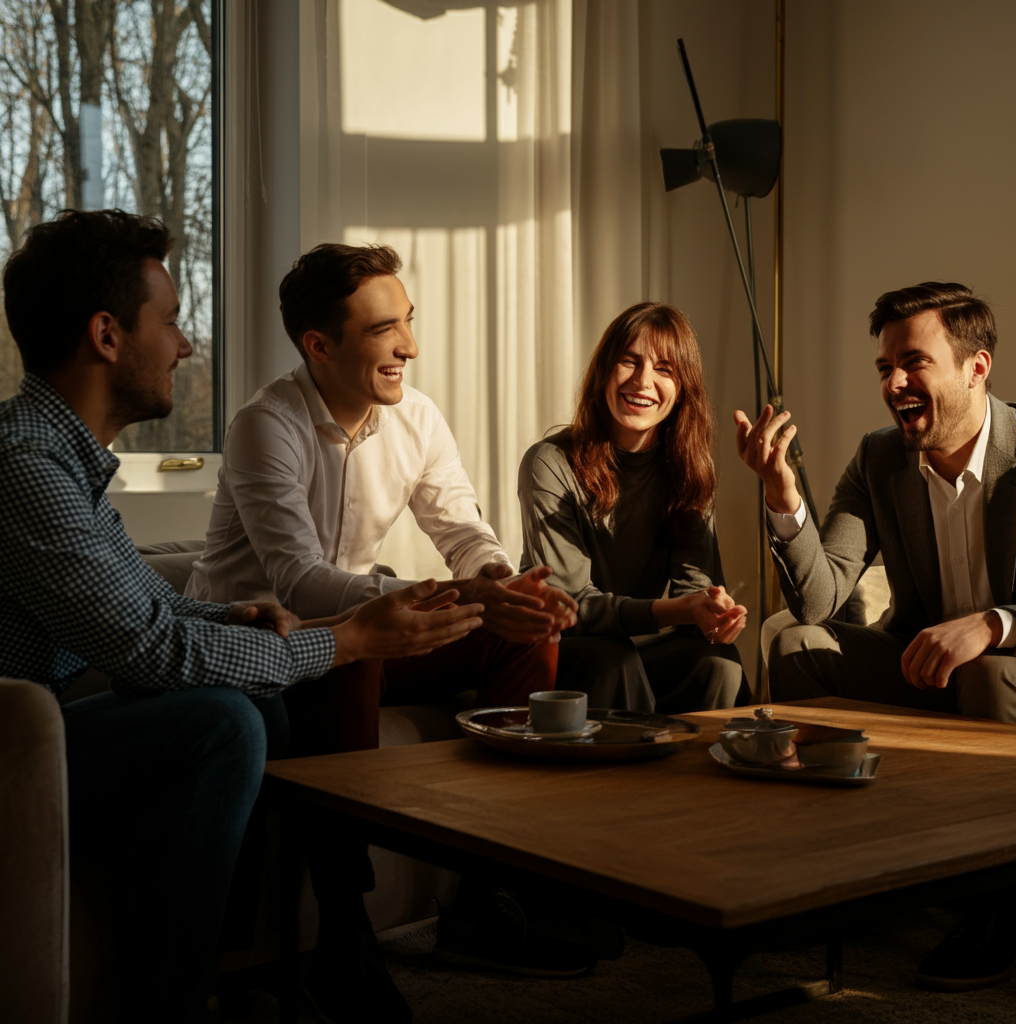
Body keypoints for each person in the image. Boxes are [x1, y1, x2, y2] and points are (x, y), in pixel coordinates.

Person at [0, 210, 486, 1024]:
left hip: (48, 727)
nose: (186, 347)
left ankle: (241, 965)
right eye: (174, 321)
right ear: (107, 335)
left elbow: (154, 610)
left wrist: (246, 620)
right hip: (14, 748)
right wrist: (348, 638)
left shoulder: (67, 464)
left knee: (252, 700)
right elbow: (151, 652)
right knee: (222, 722)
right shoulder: (28, 470)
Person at [185, 242, 584, 982]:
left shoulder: (418, 419)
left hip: (355, 628)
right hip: (260, 646)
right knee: (355, 646)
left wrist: (496, 581)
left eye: (408, 321)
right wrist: (440, 598)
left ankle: (484, 895)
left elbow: (463, 530)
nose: (410, 345)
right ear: (319, 345)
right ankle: (345, 929)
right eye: (384, 331)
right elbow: (300, 582)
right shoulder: (264, 425)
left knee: (522, 633)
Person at [734, 280, 1016, 991]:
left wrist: (993, 625)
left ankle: (1001, 907)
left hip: (1008, 674)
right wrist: (783, 498)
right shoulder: (879, 458)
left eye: (914, 363)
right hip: (925, 672)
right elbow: (819, 600)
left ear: (975, 366)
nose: (894, 383)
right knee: (792, 642)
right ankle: (841, 876)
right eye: (885, 368)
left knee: (986, 674)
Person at [518, 301, 749, 712]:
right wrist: (676, 611)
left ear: (682, 390)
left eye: (664, 369)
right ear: (605, 371)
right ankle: (629, 778)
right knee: (612, 659)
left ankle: (711, 775)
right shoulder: (548, 463)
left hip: (637, 650)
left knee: (720, 665)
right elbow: (569, 604)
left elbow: (693, 587)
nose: (643, 381)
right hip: (563, 648)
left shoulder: (689, 469)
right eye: (629, 361)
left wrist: (712, 611)